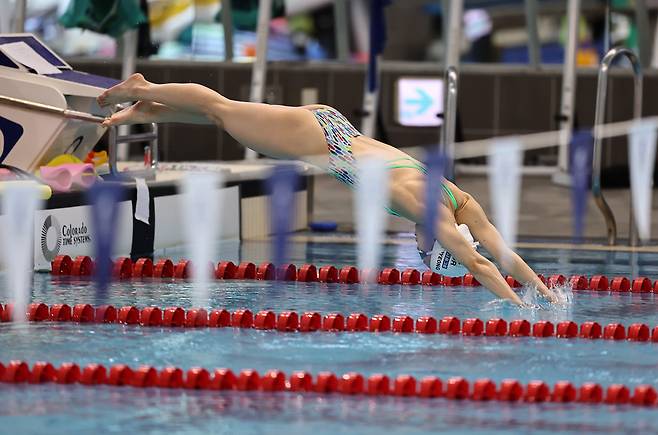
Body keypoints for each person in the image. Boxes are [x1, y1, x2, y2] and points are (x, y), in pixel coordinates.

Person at [98, 73, 557, 305]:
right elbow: (478, 262)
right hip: (322, 142)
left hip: (333, 129)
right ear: (436, 239)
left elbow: (502, 253)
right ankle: (145, 87)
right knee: (223, 109)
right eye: (424, 249)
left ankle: (150, 111)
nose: (415, 246)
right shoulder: (427, 209)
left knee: (228, 120)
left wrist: (547, 297)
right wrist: (519, 312)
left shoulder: (458, 200)